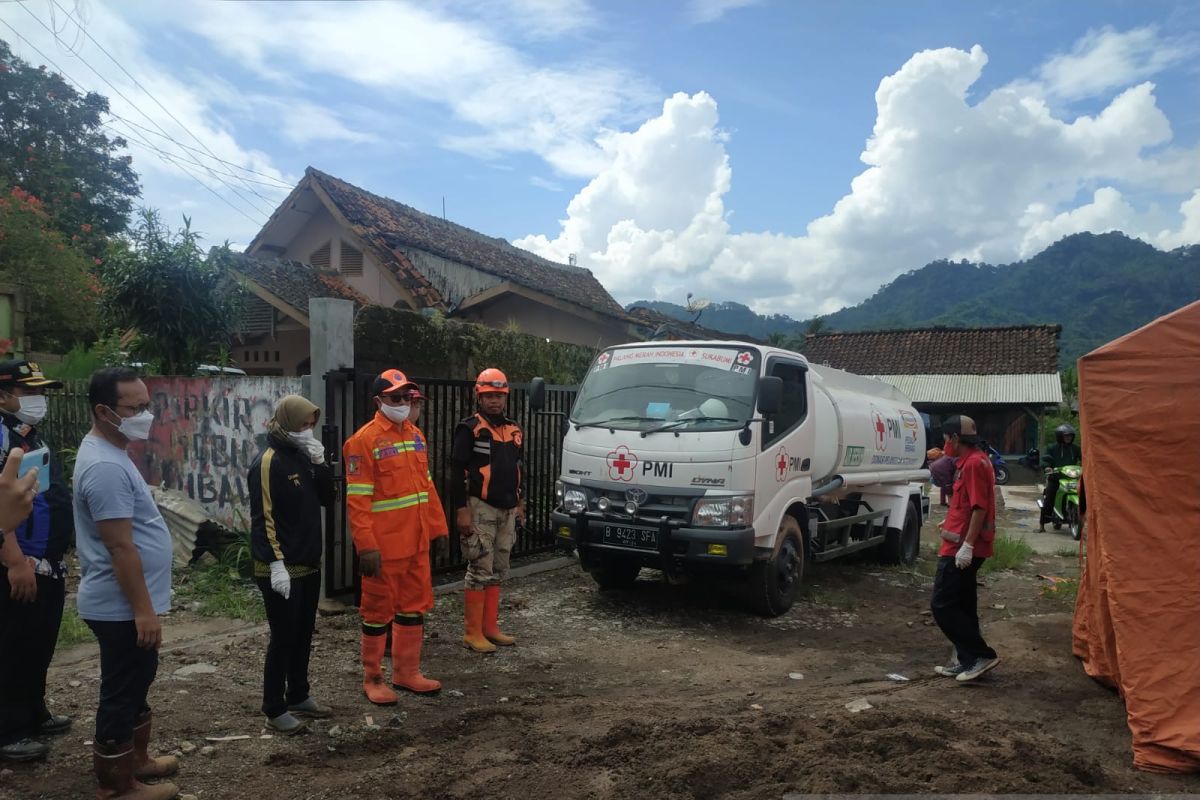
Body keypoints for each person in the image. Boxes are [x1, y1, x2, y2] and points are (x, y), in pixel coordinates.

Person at [73, 368, 178, 800]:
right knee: (121, 688)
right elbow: (120, 547)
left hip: (129, 603)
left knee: (138, 678)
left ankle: (136, 760)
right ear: (104, 411)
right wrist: (143, 610)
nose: (144, 415)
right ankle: (115, 787)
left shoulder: (114, 451)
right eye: (134, 408)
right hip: (120, 606)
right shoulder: (104, 467)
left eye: (146, 405)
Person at [343, 370, 449, 704]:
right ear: (379, 402)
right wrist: (366, 547)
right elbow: (357, 501)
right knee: (376, 613)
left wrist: (438, 529)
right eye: (395, 398)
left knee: (413, 609)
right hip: (385, 548)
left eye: (406, 397)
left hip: (416, 544)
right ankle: (372, 677)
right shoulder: (363, 441)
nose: (402, 403)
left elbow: (427, 487)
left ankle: (406, 673)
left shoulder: (416, 436)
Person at [0, 361, 74, 763]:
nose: (38, 399)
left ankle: (33, 711)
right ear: (3, 395)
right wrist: (13, 561)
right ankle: (9, 729)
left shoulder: (25, 433)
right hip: (18, 560)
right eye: (29, 391)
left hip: (46, 560)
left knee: (38, 641)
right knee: (13, 645)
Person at [247, 395, 335, 734]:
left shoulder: (303, 455)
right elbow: (263, 519)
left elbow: (328, 500)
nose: (308, 430)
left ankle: (298, 694)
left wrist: (322, 464)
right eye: (303, 424)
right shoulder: (268, 462)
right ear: (286, 422)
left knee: (302, 635)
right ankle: (274, 706)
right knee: (282, 637)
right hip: (280, 568)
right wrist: (275, 564)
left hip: (309, 562)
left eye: (311, 424)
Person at [451, 369, 524, 654]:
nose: (494, 401)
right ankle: (472, 633)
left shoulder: (514, 429)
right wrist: (461, 510)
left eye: (498, 396)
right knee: (480, 566)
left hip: (508, 506)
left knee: (499, 567)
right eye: (489, 396)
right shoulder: (469, 428)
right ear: (478, 396)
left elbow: (520, 468)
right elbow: (456, 472)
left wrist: (521, 503)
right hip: (479, 505)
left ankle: (490, 627)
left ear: (505, 397)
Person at [931, 414, 1000, 683]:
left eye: (946, 439)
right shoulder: (972, 460)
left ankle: (981, 654)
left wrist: (968, 545)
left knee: (942, 605)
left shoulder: (972, 464)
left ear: (956, 438)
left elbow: (980, 507)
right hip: (960, 543)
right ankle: (967, 659)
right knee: (962, 604)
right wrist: (951, 519)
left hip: (960, 549)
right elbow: (967, 504)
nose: (944, 444)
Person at [1039, 423, 1082, 532]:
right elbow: (1044, 460)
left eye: (1070, 436)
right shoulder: (1052, 448)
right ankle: (1042, 524)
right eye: (1066, 436)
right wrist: (1047, 467)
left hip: (1072, 478)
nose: (1068, 438)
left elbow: (1084, 458)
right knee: (1049, 498)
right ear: (1060, 437)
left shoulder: (1076, 449)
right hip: (1055, 478)